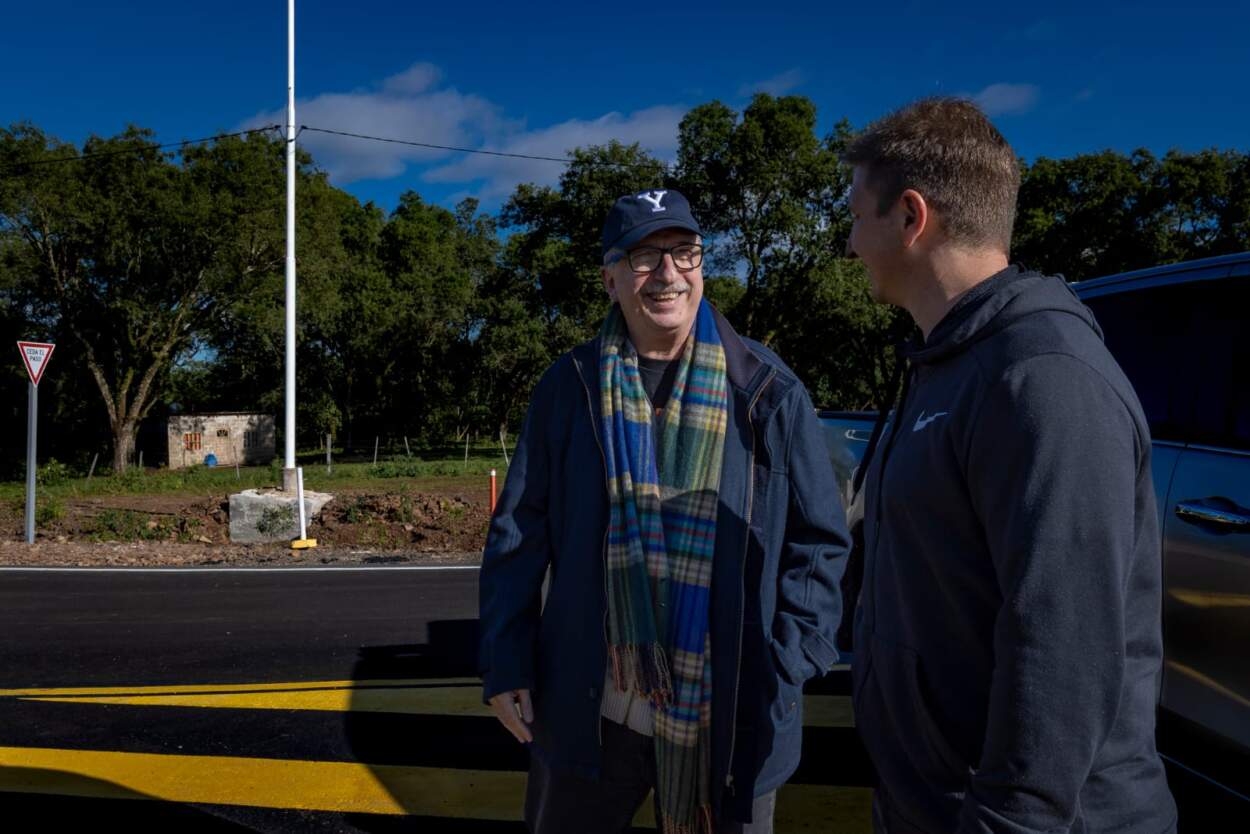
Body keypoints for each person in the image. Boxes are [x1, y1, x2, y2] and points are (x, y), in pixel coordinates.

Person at [845, 97, 1177, 833]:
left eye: (858, 216)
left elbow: (1062, 650)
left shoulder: (1044, 378)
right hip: (928, 801)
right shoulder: (945, 365)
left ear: (911, 216)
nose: (850, 242)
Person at [478, 188, 850, 834]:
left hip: (730, 715)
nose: (668, 273)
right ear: (611, 279)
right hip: (593, 713)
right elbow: (518, 533)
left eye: (684, 252)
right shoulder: (569, 387)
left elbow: (819, 542)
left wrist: (786, 664)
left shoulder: (767, 391)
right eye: (644, 257)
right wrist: (506, 659)